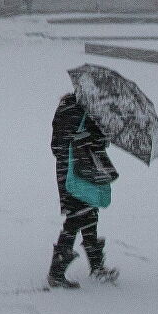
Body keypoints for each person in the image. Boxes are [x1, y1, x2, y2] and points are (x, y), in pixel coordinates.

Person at [48, 89, 119, 289]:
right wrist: (97, 134)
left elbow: (56, 145)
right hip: (80, 171)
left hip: (68, 170)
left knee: (87, 215)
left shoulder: (66, 108)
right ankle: (56, 272)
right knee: (78, 216)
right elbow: (97, 143)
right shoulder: (87, 112)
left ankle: (96, 266)